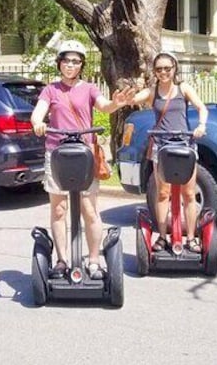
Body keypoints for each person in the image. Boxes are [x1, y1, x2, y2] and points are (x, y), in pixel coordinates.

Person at [30, 40, 135, 280]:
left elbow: (105, 106)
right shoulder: (50, 90)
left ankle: (95, 261)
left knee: (89, 209)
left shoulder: (89, 88)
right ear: (59, 63)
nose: (70, 65)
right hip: (57, 153)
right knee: (59, 209)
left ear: (81, 65)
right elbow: (39, 112)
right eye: (66, 60)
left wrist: (116, 104)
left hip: (84, 154)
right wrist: (38, 123)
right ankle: (62, 260)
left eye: (75, 61)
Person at [130, 51, 208, 253]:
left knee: (189, 193)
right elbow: (131, 100)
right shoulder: (152, 92)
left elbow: (202, 108)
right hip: (161, 146)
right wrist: (127, 95)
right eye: (159, 69)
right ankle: (163, 237)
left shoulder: (184, 88)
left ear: (174, 68)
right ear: (154, 72)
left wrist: (201, 125)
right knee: (163, 193)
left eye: (167, 68)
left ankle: (190, 238)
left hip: (184, 144)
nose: (163, 72)